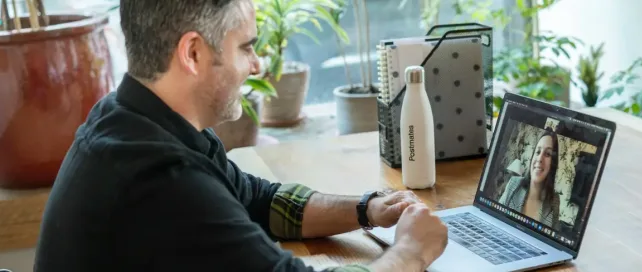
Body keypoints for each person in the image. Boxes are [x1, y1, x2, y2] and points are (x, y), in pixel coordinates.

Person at [32, 1, 449, 271]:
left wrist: (369, 209)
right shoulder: (162, 180)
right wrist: (412, 251)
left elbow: (256, 199)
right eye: (245, 47)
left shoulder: (134, 117)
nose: (257, 65)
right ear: (193, 53)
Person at [498, 128, 561, 229]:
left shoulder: (554, 200)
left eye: (548, 154)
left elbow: (553, 236)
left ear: (553, 164)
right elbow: (495, 216)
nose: (540, 159)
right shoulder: (514, 183)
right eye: (538, 152)